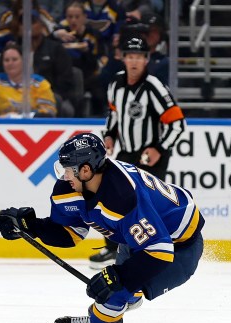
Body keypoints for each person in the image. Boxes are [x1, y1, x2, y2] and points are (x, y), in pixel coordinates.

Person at [0, 133, 204, 323]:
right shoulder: (69, 188)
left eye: (68, 169)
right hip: (137, 240)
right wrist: (31, 227)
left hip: (180, 248)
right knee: (119, 285)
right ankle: (129, 296)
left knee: (116, 291)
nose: (64, 176)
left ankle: (103, 319)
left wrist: (121, 278)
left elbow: (160, 251)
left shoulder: (122, 197)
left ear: (85, 170)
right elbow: (69, 234)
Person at [90, 36, 186, 269]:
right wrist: (109, 135)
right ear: (123, 58)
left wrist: (159, 149)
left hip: (151, 154)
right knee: (111, 195)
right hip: (127, 153)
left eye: (139, 57)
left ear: (146, 59)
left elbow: (178, 123)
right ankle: (112, 248)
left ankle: (155, 250)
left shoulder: (154, 86)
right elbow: (113, 114)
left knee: (147, 204)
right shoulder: (116, 84)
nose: (134, 61)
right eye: (130, 56)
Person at [0, 42, 57, 117]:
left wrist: (25, 116)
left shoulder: (40, 83)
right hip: (0, 127)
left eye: (14, 59)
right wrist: (4, 118)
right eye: (6, 60)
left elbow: (49, 111)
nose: (10, 63)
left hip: (33, 126)